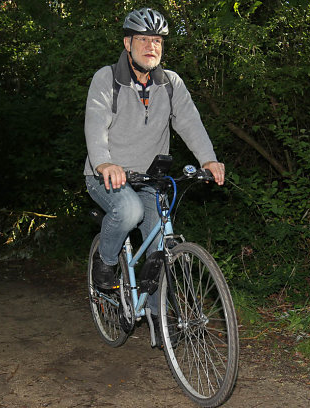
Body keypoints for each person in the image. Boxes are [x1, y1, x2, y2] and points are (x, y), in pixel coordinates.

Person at [84, 8, 225, 346]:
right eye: (144, 39)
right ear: (128, 43)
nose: (152, 46)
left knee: (160, 244)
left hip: (149, 180)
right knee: (128, 211)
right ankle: (105, 264)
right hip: (105, 176)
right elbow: (95, 122)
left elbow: (190, 122)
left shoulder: (170, 84)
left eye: (157, 40)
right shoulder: (107, 78)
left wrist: (209, 159)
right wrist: (104, 163)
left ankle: (156, 314)